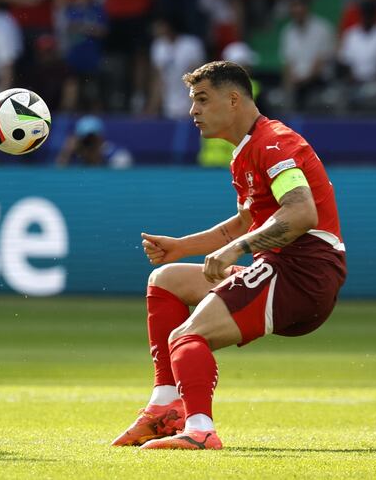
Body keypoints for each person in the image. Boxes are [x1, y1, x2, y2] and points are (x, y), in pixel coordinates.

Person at [112, 61, 345, 450]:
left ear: (233, 99)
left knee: (186, 336)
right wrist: (183, 247)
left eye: (202, 99)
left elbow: (303, 212)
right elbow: (244, 222)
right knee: (165, 281)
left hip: (302, 273)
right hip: (280, 268)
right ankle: (165, 406)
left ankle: (200, 429)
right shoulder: (246, 150)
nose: (193, 111)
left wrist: (238, 249)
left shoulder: (274, 144)